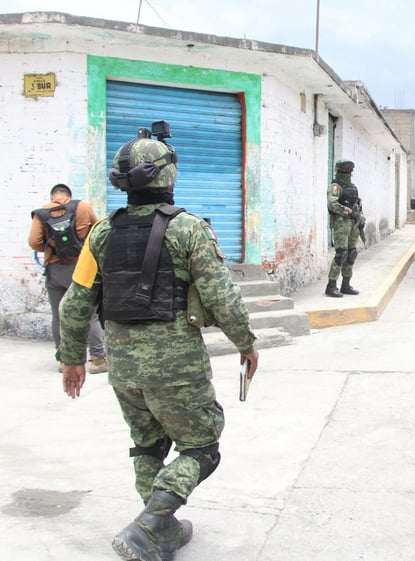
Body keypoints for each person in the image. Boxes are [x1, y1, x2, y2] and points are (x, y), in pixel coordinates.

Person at [57, 127, 259, 561]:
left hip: (124, 369)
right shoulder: (189, 229)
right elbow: (221, 297)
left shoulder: (101, 234)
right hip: (178, 368)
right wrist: (246, 343)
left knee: (147, 444)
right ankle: (150, 523)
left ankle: (162, 528)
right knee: (202, 447)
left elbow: (75, 305)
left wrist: (71, 359)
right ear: (167, 176)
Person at [28, 183, 107, 374]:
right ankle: (97, 359)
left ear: (52, 196)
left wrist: (54, 249)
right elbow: (97, 232)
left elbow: (34, 242)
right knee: (90, 314)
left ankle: (64, 361)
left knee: (59, 315)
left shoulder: (41, 213)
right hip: (81, 268)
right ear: (69, 196)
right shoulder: (82, 207)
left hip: (55, 269)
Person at [325, 159, 364, 298]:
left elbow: (358, 205)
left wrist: (361, 217)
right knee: (341, 254)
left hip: (353, 224)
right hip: (341, 223)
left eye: (349, 170)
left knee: (352, 253)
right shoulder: (335, 187)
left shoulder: (353, 187)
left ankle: (346, 284)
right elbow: (332, 204)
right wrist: (348, 211)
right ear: (339, 170)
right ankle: (331, 285)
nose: (348, 172)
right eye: (345, 169)